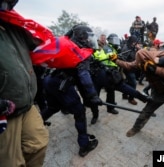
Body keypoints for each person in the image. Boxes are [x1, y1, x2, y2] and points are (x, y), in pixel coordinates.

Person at [39, 24, 103, 157]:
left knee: (52, 107)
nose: (89, 41)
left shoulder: (66, 44)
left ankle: (34, 126)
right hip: (61, 85)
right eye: (87, 37)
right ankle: (84, 145)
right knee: (80, 112)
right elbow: (84, 77)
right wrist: (93, 96)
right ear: (80, 37)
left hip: (49, 80)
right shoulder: (80, 52)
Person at [110, 43, 164, 138]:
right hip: (158, 93)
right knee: (146, 112)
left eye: (142, 63)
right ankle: (136, 128)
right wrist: (116, 60)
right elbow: (129, 66)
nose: (140, 65)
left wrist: (154, 69)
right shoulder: (141, 60)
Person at [0, 1, 50, 166]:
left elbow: (41, 44)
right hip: (4, 113)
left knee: (39, 144)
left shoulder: (13, 24)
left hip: (27, 103)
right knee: (11, 162)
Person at [87, 33, 151, 124]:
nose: (116, 42)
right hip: (99, 75)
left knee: (116, 91)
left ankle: (112, 107)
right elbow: (102, 56)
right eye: (114, 40)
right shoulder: (101, 48)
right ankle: (95, 115)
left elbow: (115, 56)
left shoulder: (112, 48)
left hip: (111, 74)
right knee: (94, 97)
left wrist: (118, 56)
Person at [120, 35, 141, 105]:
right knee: (134, 83)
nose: (135, 44)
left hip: (133, 68)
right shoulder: (126, 48)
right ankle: (131, 98)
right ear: (131, 42)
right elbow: (123, 58)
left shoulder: (133, 47)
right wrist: (129, 63)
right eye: (134, 42)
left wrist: (138, 49)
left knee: (129, 82)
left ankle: (125, 94)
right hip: (128, 68)